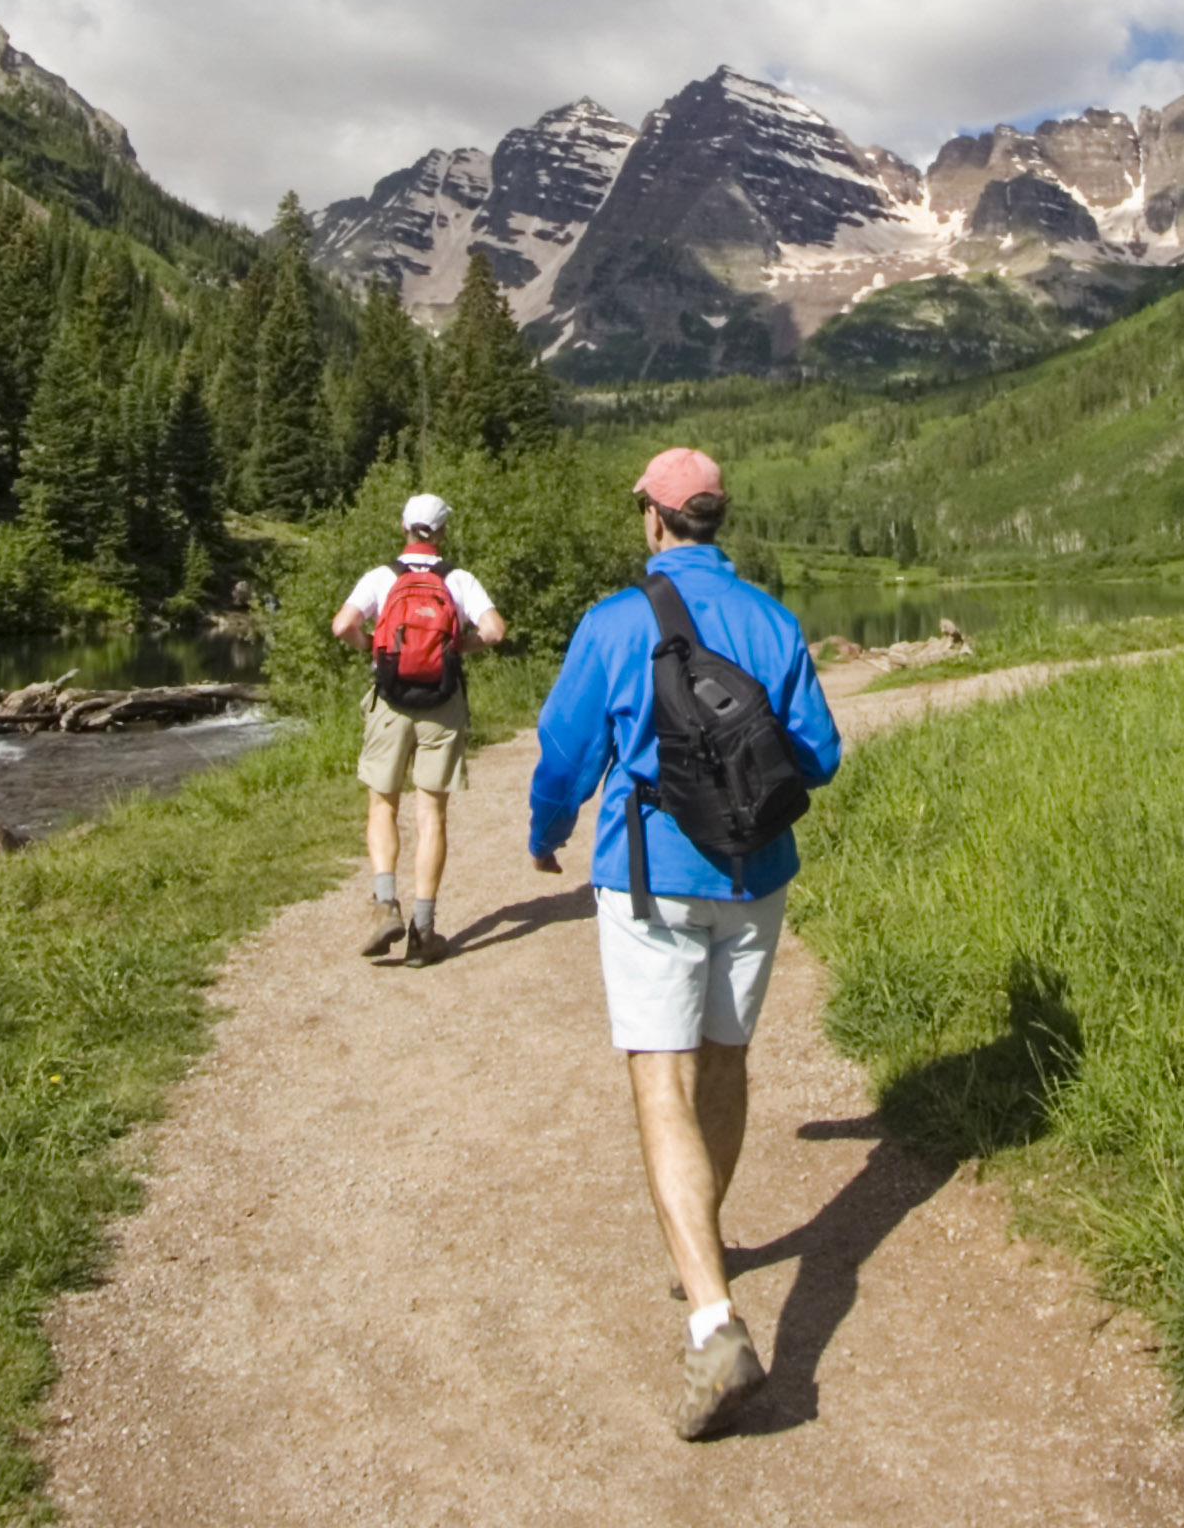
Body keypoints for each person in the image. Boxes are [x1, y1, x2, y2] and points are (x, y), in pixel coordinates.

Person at [527, 447, 842, 1441]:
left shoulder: (616, 623)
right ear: (716, 519)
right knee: (726, 1061)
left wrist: (545, 831)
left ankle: (714, 1322)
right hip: (755, 878)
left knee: (659, 1081)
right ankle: (701, 1244)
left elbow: (565, 752)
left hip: (651, 882)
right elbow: (821, 755)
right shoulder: (773, 620)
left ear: (657, 522)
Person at [330, 491, 505, 966]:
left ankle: (385, 902)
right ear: (444, 532)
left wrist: (374, 648)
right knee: (431, 814)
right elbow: (494, 631)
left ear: (403, 527)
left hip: (390, 701)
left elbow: (341, 624)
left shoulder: (382, 577)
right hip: (442, 706)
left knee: (382, 805)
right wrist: (454, 650)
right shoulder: (459, 580)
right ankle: (423, 933)